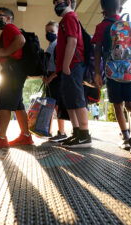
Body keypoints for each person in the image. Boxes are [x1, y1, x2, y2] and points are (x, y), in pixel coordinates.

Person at [93, 0, 131, 156]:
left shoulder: (101, 26)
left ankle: (125, 136)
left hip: (112, 71)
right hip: (130, 70)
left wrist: (97, 72)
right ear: (120, 8)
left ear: (103, 10)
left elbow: (97, 50)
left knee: (117, 104)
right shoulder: (129, 25)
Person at [0, 7, 33, 148]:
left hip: (12, 70)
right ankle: (26, 136)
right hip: (16, 70)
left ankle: (1, 138)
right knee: (17, 104)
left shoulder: (10, 27)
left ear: (9, 18)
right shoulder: (9, 30)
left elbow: (21, 40)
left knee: (5, 101)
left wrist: (4, 52)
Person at [53, 0, 92, 149]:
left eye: (59, 1)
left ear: (69, 1)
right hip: (69, 66)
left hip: (73, 64)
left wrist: (66, 65)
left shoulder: (70, 17)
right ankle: (76, 132)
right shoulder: (65, 19)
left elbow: (73, 41)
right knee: (69, 99)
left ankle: (84, 134)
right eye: (54, 2)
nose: (56, 4)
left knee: (76, 98)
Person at [43, 20, 68, 142]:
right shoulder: (51, 45)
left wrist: (50, 78)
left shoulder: (58, 44)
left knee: (58, 106)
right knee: (52, 106)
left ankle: (62, 132)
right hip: (50, 78)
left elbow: (59, 66)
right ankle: (48, 130)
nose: (49, 33)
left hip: (56, 78)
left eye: (52, 31)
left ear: (58, 32)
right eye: (47, 31)